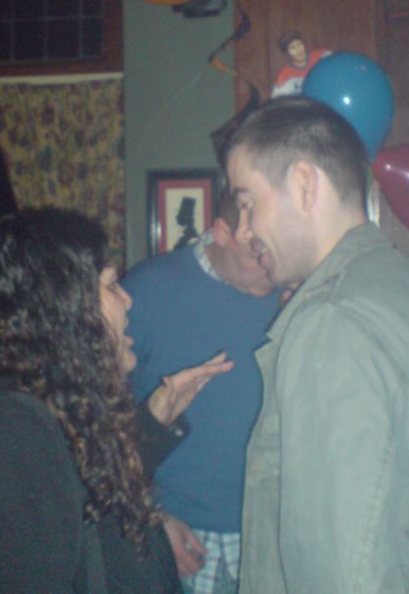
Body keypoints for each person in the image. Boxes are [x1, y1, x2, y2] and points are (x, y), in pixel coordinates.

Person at [225, 96, 409, 594]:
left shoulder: (333, 321)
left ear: (304, 184)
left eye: (247, 204)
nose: (243, 232)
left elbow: (337, 573)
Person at [0, 207, 233, 594]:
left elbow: (83, 499)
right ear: (60, 306)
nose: (127, 301)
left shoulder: (40, 407)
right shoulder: (4, 433)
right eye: (111, 285)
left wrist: (151, 426)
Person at [122, 190, 281, 594]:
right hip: (180, 534)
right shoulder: (145, 290)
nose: (271, 263)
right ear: (221, 233)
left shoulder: (296, 295)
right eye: (258, 250)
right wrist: (148, 514)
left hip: (272, 534)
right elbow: (96, 420)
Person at [271, 30, 330, 97]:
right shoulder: (284, 75)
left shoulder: (322, 56)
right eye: (293, 48)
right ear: (287, 53)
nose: (298, 50)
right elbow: (278, 100)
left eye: (299, 44)